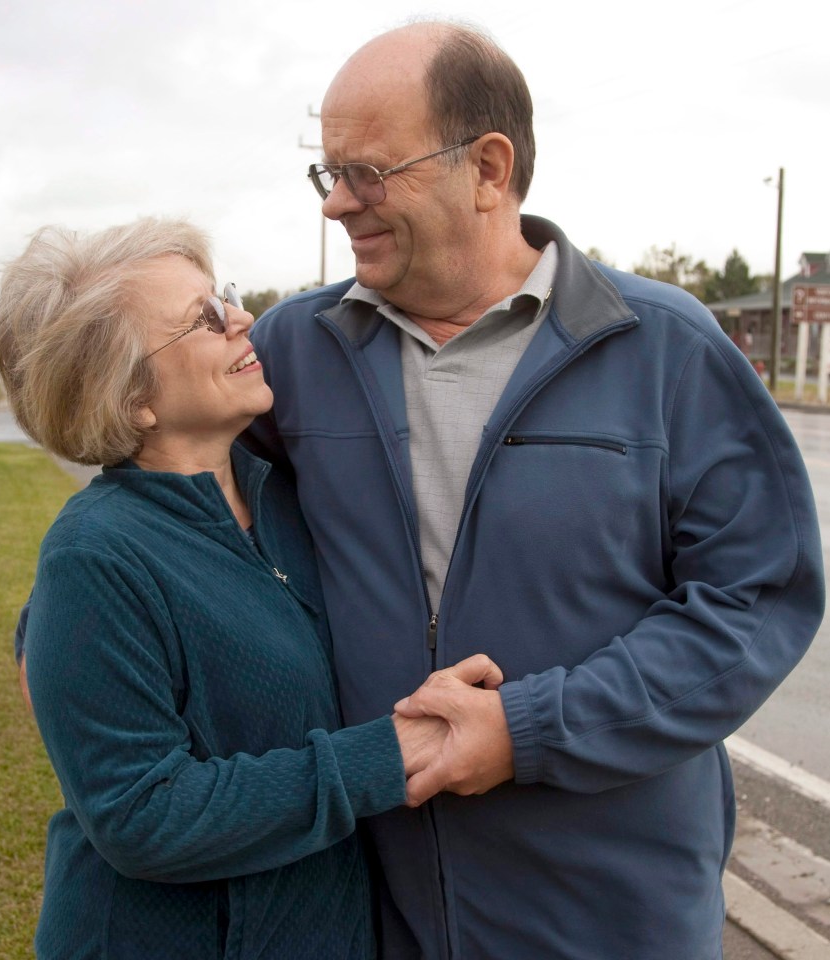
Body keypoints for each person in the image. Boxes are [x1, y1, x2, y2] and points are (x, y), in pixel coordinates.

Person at [243, 20, 825, 960]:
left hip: (611, 919)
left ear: (488, 166)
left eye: (368, 174)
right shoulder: (292, 351)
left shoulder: (665, 346)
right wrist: (77, 623)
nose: (336, 205)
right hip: (375, 912)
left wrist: (527, 730)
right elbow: (172, 499)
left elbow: (752, 603)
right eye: (328, 174)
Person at [0, 217, 502, 959]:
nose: (243, 320)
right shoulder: (94, 553)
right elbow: (142, 816)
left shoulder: (290, 497)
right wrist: (385, 756)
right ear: (133, 395)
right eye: (204, 318)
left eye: (223, 296)